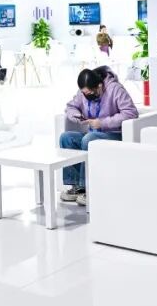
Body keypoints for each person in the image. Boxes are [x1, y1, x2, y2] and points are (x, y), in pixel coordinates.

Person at [59, 66, 138, 207]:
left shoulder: (115, 89)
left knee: (88, 139)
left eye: (90, 92)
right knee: (66, 137)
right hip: (94, 134)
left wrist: (102, 122)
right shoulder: (83, 93)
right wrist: (77, 116)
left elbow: (130, 113)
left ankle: (88, 187)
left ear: (99, 86)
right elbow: (70, 107)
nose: (87, 96)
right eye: (84, 93)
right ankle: (77, 186)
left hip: (115, 134)